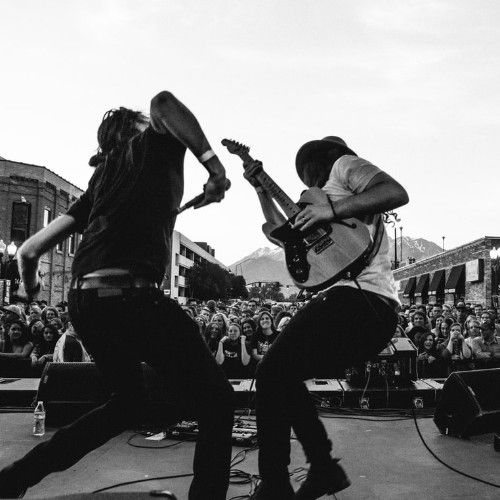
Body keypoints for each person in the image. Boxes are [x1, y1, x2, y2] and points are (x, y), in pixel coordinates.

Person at [0, 91, 233, 500]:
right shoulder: (150, 144)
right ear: (137, 129)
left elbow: (28, 252)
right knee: (217, 399)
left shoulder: (101, 183)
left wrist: (32, 288)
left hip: (86, 303)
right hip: (132, 296)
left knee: (127, 404)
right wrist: (215, 169)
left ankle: (14, 479)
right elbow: (164, 102)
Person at [243, 136, 407, 499]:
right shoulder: (321, 204)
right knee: (282, 375)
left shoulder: (343, 167)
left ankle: (280, 483)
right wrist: (261, 189)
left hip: (359, 300)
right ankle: (321, 469)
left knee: (271, 372)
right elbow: (283, 235)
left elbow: (395, 191)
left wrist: (331, 211)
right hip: (370, 313)